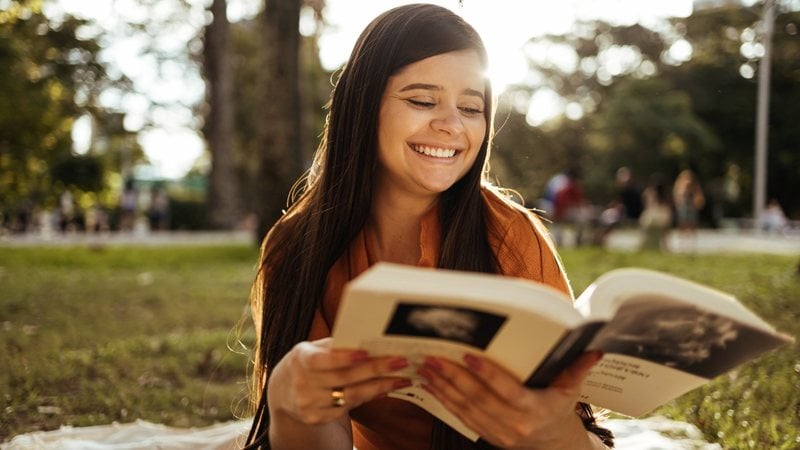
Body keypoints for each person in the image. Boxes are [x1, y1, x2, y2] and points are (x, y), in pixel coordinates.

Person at [245, 4, 613, 450]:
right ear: (364, 106)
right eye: (422, 100)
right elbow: (319, 431)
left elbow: (575, 428)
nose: (451, 125)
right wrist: (290, 401)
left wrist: (554, 431)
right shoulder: (296, 247)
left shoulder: (512, 236)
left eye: (472, 108)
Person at [672, 169, 704, 234]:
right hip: (683, 205)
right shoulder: (680, 184)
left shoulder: (694, 185)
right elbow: (677, 194)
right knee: (683, 220)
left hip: (692, 205)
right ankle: (683, 233)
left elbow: (699, 195)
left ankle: (691, 233)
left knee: (692, 220)